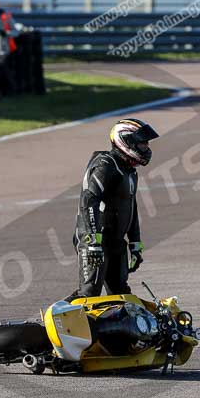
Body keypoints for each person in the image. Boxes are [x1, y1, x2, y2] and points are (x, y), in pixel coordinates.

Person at [65, 118, 160, 302]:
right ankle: (55, 324)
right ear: (125, 141)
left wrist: (135, 243)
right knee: (89, 293)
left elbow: (132, 207)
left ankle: (116, 331)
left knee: (121, 294)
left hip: (116, 242)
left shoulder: (130, 171)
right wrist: (92, 241)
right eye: (142, 142)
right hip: (94, 240)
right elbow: (89, 199)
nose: (146, 147)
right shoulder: (105, 165)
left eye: (147, 143)